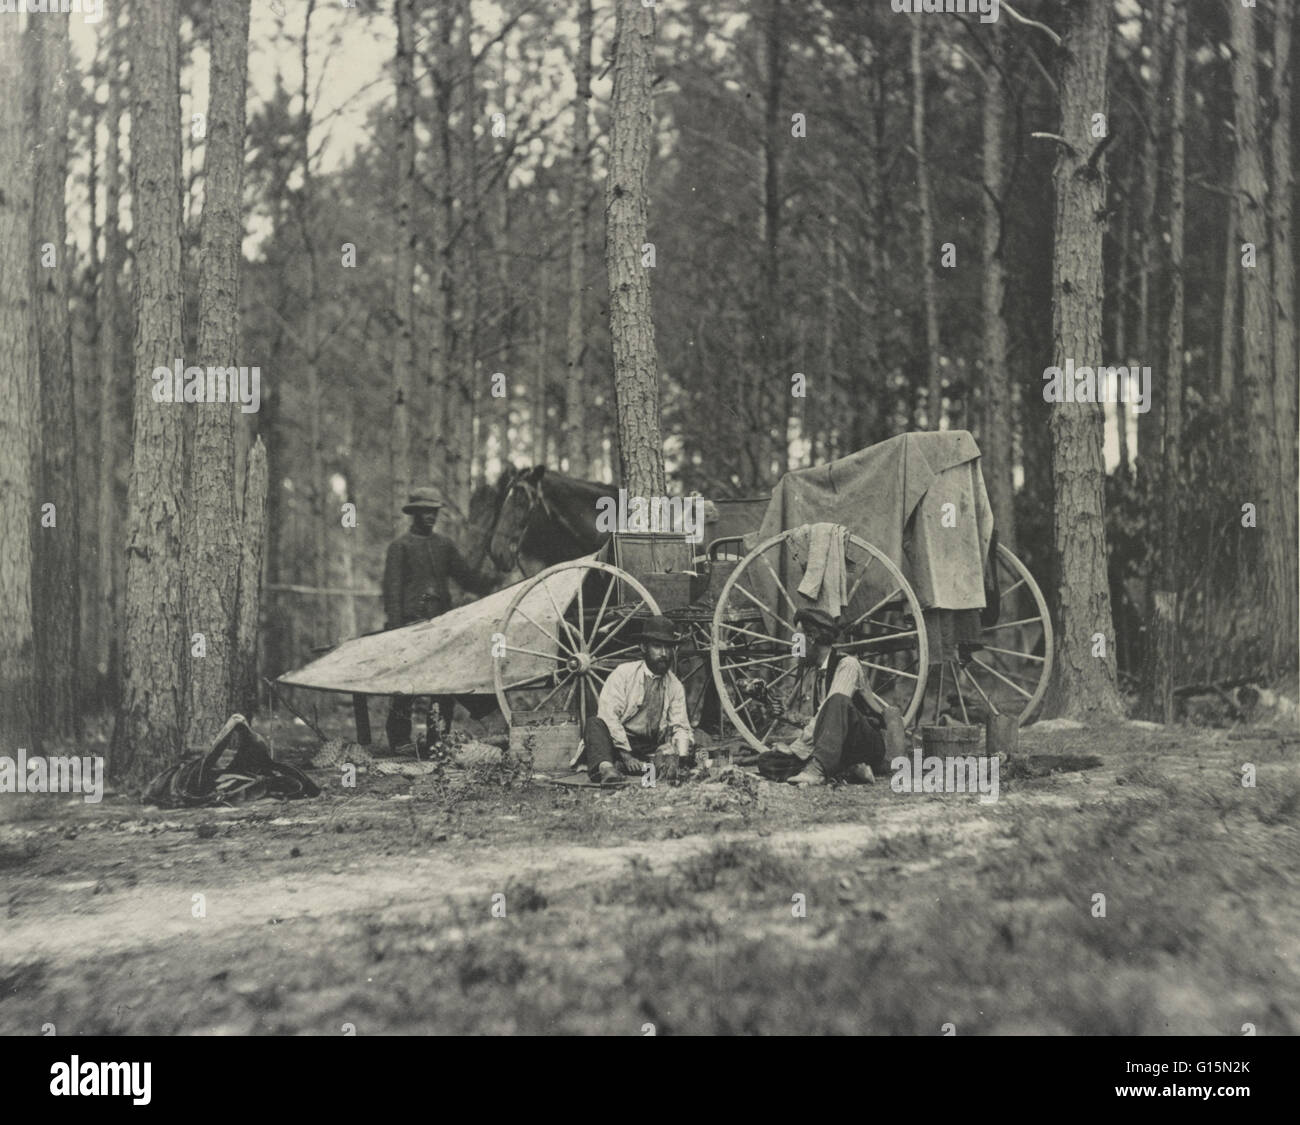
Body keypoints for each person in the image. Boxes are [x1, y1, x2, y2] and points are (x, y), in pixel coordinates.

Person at [382, 487, 494, 752]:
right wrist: (396, 631)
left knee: (444, 684)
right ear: (414, 514)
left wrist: (492, 581)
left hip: (441, 625)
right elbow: (392, 592)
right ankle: (399, 740)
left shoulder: (444, 546)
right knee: (404, 685)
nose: (430, 516)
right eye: (425, 511)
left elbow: (466, 577)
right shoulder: (400, 547)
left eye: (434, 511)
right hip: (410, 626)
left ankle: (438, 738)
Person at [774, 606, 890, 786]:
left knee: (837, 700)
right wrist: (786, 717)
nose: (793, 647)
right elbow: (822, 723)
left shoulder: (848, 664)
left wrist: (795, 748)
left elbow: (833, 709)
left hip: (861, 743)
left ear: (811, 639)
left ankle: (818, 770)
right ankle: (847, 770)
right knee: (768, 762)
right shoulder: (815, 672)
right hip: (834, 747)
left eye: (797, 640)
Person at [583, 616, 693, 783]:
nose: (664, 654)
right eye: (657, 646)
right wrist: (626, 756)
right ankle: (608, 768)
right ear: (643, 647)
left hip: (648, 747)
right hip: (617, 742)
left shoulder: (674, 685)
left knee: (690, 748)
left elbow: (680, 725)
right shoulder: (624, 674)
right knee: (595, 724)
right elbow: (609, 717)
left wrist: (674, 747)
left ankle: (629, 767)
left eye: (668, 648)